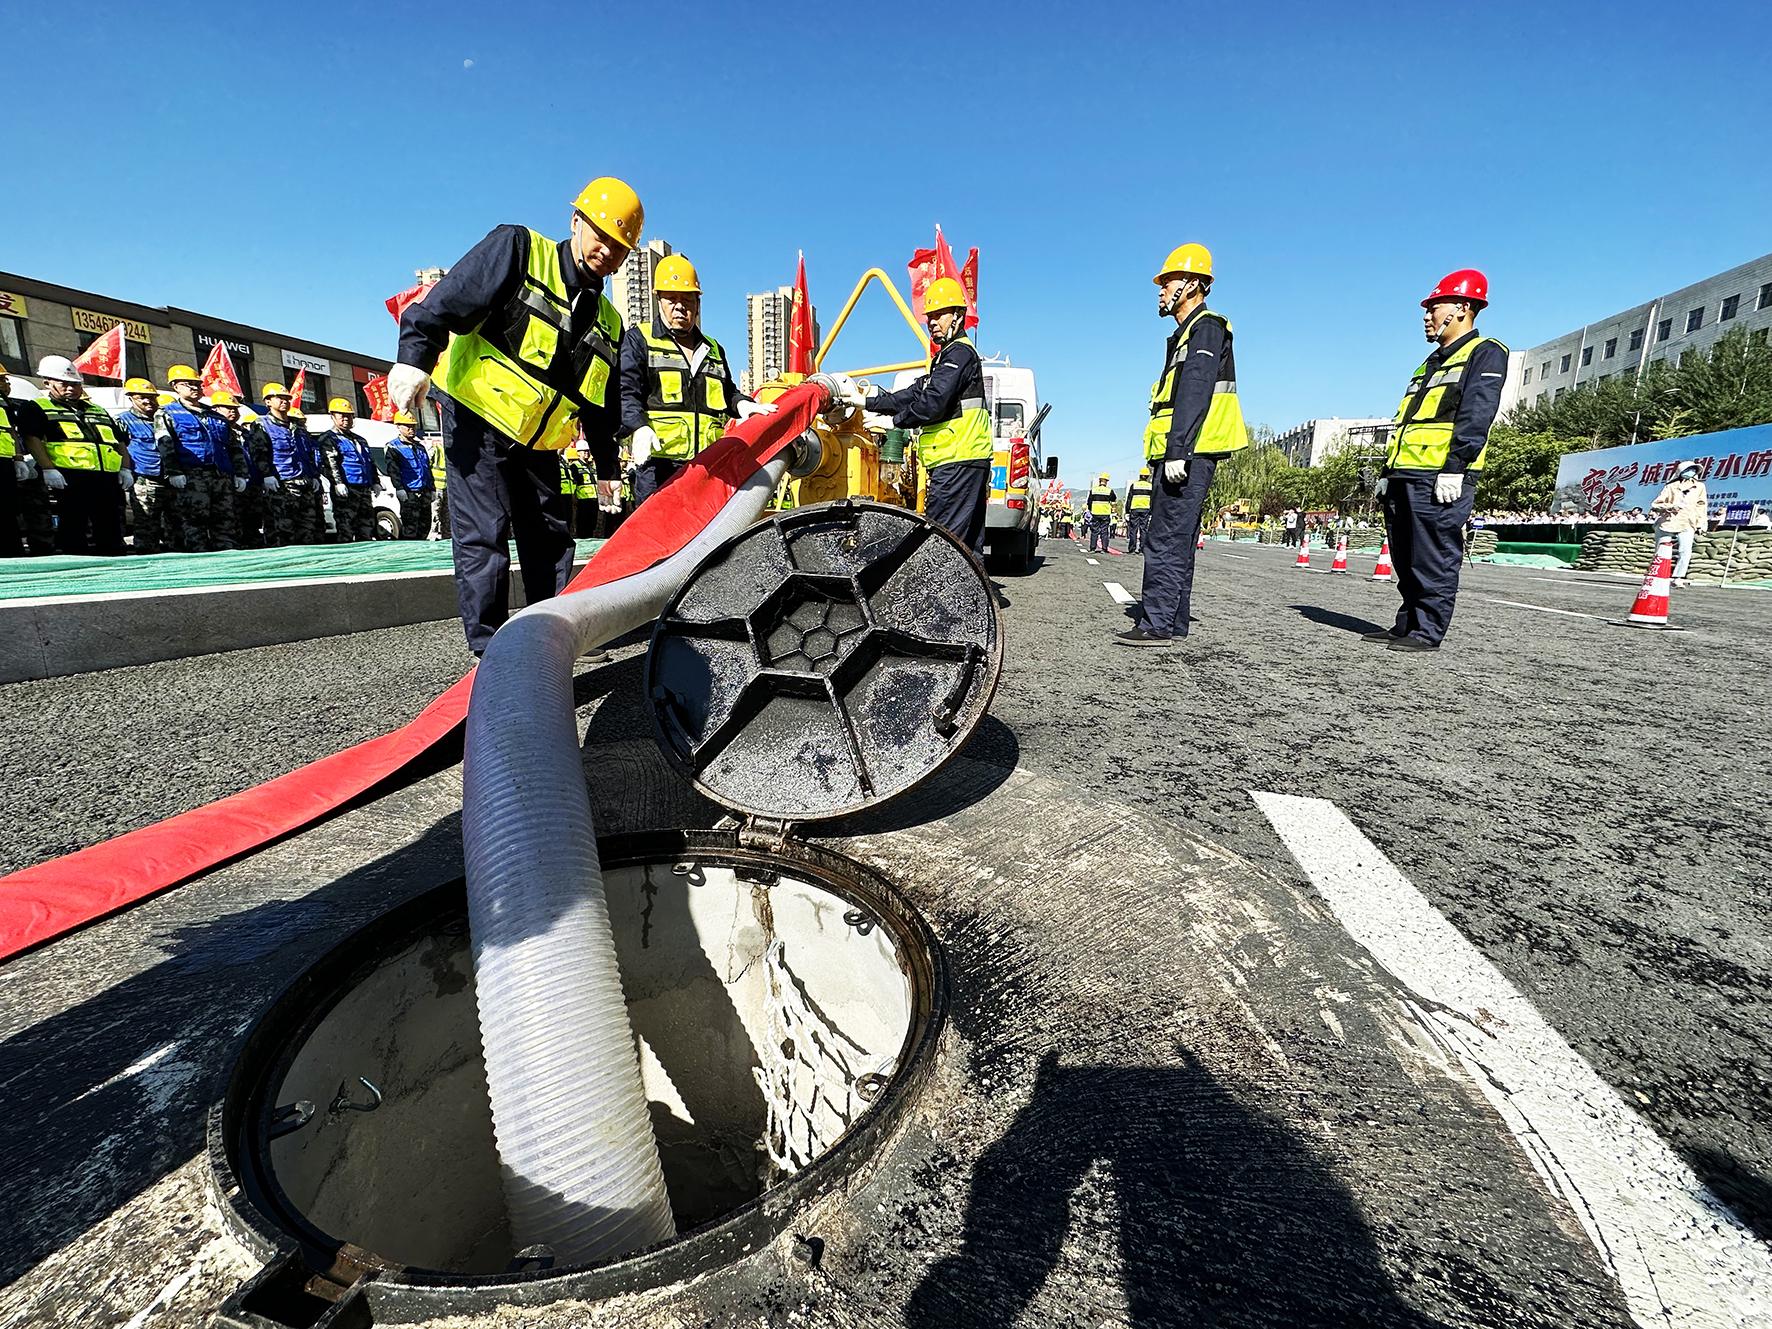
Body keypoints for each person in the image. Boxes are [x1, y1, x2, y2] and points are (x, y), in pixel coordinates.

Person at [388, 177, 639, 655]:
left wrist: (608, 469)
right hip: (477, 420)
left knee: (549, 538)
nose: (607, 249)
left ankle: (557, 633)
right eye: (601, 234)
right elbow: (447, 300)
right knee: (484, 534)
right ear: (576, 222)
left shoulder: (608, 320)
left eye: (620, 245)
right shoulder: (519, 249)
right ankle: (491, 647)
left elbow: (600, 407)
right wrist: (414, 357)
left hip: (540, 443)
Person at [1367, 269, 1507, 652]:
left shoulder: (1484, 352)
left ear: (1462, 307)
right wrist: (1386, 471)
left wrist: (1456, 467)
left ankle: (1427, 631)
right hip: (1404, 472)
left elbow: (1477, 414)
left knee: (1434, 557)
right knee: (1406, 556)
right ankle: (1407, 623)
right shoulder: (1430, 363)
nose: (1427, 316)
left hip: (1440, 475)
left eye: (1434, 307)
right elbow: (1407, 422)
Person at [1118, 243, 1248, 646]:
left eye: (1168, 281)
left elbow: (1195, 391)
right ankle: (1172, 621)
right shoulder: (1186, 334)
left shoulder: (1206, 327)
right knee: (1176, 540)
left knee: (1166, 539)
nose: (1160, 289)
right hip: (1184, 451)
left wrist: (1179, 450)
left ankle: (1155, 623)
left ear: (1192, 285)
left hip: (1188, 453)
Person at [848, 277, 991, 554]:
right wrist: (866, 401)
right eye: (930, 316)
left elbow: (932, 402)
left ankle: (938, 597)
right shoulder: (948, 358)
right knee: (966, 546)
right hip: (962, 460)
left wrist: (894, 422)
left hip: (956, 460)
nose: (933, 322)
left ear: (958, 317)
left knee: (942, 543)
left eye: (940, 315)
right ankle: (973, 597)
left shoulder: (959, 354)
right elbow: (913, 393)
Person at [619, 254, 768, 504]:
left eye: (687, 299)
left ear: (697, 304)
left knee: (706, 538)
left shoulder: (713, 349)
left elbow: (727, 391)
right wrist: (638, 427)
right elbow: (626, 393)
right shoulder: (640, 340)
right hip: (658, 467)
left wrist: (743, 404)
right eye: (671, 299)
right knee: (658, 536)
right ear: (659, 300)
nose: (680, 306)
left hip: (707, 467)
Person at [17, 356, 130, 555]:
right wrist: (48, 469)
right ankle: (78, 564)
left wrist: (125, 468)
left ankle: (114, 560)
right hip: (70, 477)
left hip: (105, 477)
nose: (71, 389)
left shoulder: (97, 409)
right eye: (64, 384)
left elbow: (118, 440)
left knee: (110, 525)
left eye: (75, 384)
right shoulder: (37, 407)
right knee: (73, 525)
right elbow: (31, 438)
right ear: (47, 383)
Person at [157, 364, 242, 551]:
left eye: (198, 384)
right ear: (175, 386)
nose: (195, 388)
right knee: (194, 523)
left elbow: (233, 447)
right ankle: (200, 558)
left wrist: (240, 473)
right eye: (189, 384)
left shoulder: (215, 415)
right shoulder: (167, 413)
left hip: (221, 477)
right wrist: (173, 472)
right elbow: (165, 445)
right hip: (192, 477)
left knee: (225, 522)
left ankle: (229, 559)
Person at [250, 383, 324, 545]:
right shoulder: (261, 424)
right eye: (279, 398)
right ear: (268, 401)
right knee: (282, 530)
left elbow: (308, 453)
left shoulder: (297, 426)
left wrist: (314, 476)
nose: (284, 401)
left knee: (307, 530)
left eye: (287, 398)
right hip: (282, 484)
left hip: (305, 483)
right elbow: (259, 452)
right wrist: (267, 475)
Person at [114, 376, 182, 553]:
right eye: (141, 397)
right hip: (145, 479)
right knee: (147, 522)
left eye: (151, 397)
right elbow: (118, 448)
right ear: (131, 398)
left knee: (176, 522)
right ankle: (147, 556)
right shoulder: (123, 421)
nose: (148, 401)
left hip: (171, 478)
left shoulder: (165, 418)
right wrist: (125, 471)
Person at [211, 390, 277, 548]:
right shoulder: (216, 434)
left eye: (235, 408)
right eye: (228, 408)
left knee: (253, 525)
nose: (233, 411)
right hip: (230, 487)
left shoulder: (247, 434)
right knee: (233, 525)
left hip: (253, 486)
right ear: (215, 410)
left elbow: (259, 457)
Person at [320, 398, 377, 541]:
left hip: (363, 488)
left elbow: (369, 462)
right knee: (346, 527)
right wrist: (338, 483)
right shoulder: (329, 438)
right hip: (347, 490)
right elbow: (330, 462)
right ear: (333, 417)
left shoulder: (360, 440)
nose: (346, 419)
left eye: (349, 415)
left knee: (366, 527)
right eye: (342, 415)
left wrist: (375, 481)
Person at [1650, 462, 1708, 587]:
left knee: (1685, 550)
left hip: (1688, 521)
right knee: (1661, 550)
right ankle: (1657, 575)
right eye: (1688, 469)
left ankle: (1678, 577)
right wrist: (1670, 506)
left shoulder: (1699, 487)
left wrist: (1701, 523)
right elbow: (1655, 504)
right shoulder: (1671, 486)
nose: (1691, 472)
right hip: (1668, 521)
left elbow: (1701, 506)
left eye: (1693, 470)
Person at [382, 410, 436, 540]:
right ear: (398, 427)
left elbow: (426, 469)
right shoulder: (393, 447)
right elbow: (393, 470)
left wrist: (432, 488)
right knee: (410, 528)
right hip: (409, 493)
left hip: (424, 492)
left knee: (425, 526)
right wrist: (399, 488)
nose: (411, 429)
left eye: (413, 426)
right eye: (407, 426)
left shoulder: (420, 447)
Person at [0, 365, 25, 557]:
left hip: (4, 462)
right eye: (1, 380)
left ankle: (12, 553)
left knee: (8, 511)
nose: (5, 384)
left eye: (4, 380)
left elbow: (10, 431)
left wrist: (18, 458)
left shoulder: (3, 403)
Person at [1125, 466, 1153, 554]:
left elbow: (1129, 499)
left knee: (1133, 529)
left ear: (1140, 476)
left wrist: (1127, 511)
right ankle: (1142, 549)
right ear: (1148, 476)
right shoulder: (1150, 486)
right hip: (1146, 509)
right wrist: (1151, 511)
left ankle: (1132, 549)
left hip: (1134, 509)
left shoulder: (1134, 485)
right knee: (1143, 530)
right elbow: (1153, 500)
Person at [1086, 472, 1116, 553]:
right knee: (1104, 531)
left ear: (1099, 481)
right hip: (1105, 513)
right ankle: (1104, 548)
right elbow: (1113, 500)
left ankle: (1092, 548)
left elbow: (1089, 502)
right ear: (1106, 481)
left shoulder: (1093, 490)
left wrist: (1091, 510)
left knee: (1094, 531)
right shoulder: (1109, 491)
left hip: (1095, 513)